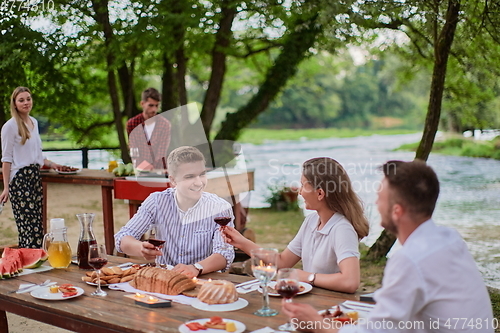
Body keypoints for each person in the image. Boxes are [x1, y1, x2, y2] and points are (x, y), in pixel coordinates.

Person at [282, 160, 494, 333]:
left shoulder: (410, 260)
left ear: (397, 211)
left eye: (380, 197)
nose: (375, 204)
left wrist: (317, 323)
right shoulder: (449, 238)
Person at [223, 157, 369, 293]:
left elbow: (350, 282)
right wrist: (241, 242)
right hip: (314, 301)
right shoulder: (311, 221)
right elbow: (282, 262)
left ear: (320, 193)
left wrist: (308, 277)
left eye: (303, 185)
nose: (299, 192)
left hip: (333, 307)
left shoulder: (342, 229)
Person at [114, 146, 235, 278]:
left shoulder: (220, 207)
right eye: (189, 177)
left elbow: (225, 254)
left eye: (202, 174)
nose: (198, 182)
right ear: (173, 181)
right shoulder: (156, 201)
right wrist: (141, 248)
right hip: (164, 280)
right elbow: (122, 237)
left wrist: (196, 268)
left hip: (203, 282)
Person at [0, 87, 62, 248]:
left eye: (28, 99)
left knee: (37, 222)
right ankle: (28, 259)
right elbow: (6, 159)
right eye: (21, 100)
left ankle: (36, 259)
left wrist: (52, 164)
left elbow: (36, 154)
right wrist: (6, 187)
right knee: (26, 224)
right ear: (14, 104)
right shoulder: (9, 127)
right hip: (20, 178)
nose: (26, 102)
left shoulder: (33, 122)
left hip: (35, 176)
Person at [127, 87, 171, 170]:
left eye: (156, 105)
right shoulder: (132, 123)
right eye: (151, 105)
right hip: (139, 169)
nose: (154, 109)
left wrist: (153, 167)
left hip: (160, 170)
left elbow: (162, 151)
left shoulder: (164, 125)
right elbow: (133, 148)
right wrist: (140, 165)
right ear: (142, 104)